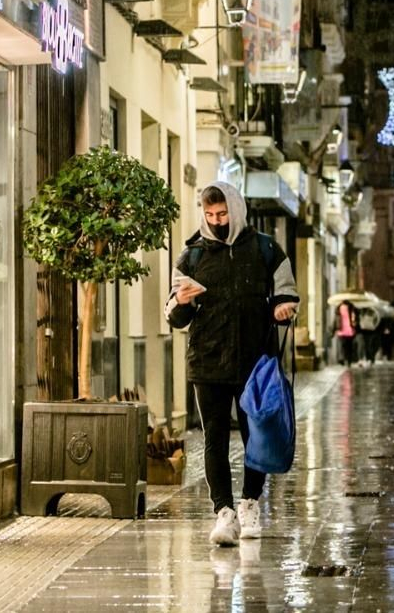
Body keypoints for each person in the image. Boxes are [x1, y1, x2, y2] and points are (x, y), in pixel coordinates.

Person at [166, 183, 298, 546]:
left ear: (236, 211)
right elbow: (175, 317)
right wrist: (182, 301)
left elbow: (286, 294)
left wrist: (282, 308)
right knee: (215, 438)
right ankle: (223, 512)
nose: (216, 222)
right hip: (207, 361)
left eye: (222, 215)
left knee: (257, 434)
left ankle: (250, 504)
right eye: (210, 216)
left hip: (256, 361)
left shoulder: (266, 249)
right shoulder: (191, 255)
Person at [334, 300, 359, 367]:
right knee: (348, 347)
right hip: (347, 330)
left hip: (345, 331)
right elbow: (336, 320)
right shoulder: (351, 308)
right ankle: (347, 360)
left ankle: (345, 359)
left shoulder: (339, 308)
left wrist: (334, 330)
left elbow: (335, 320)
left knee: (344, 346)